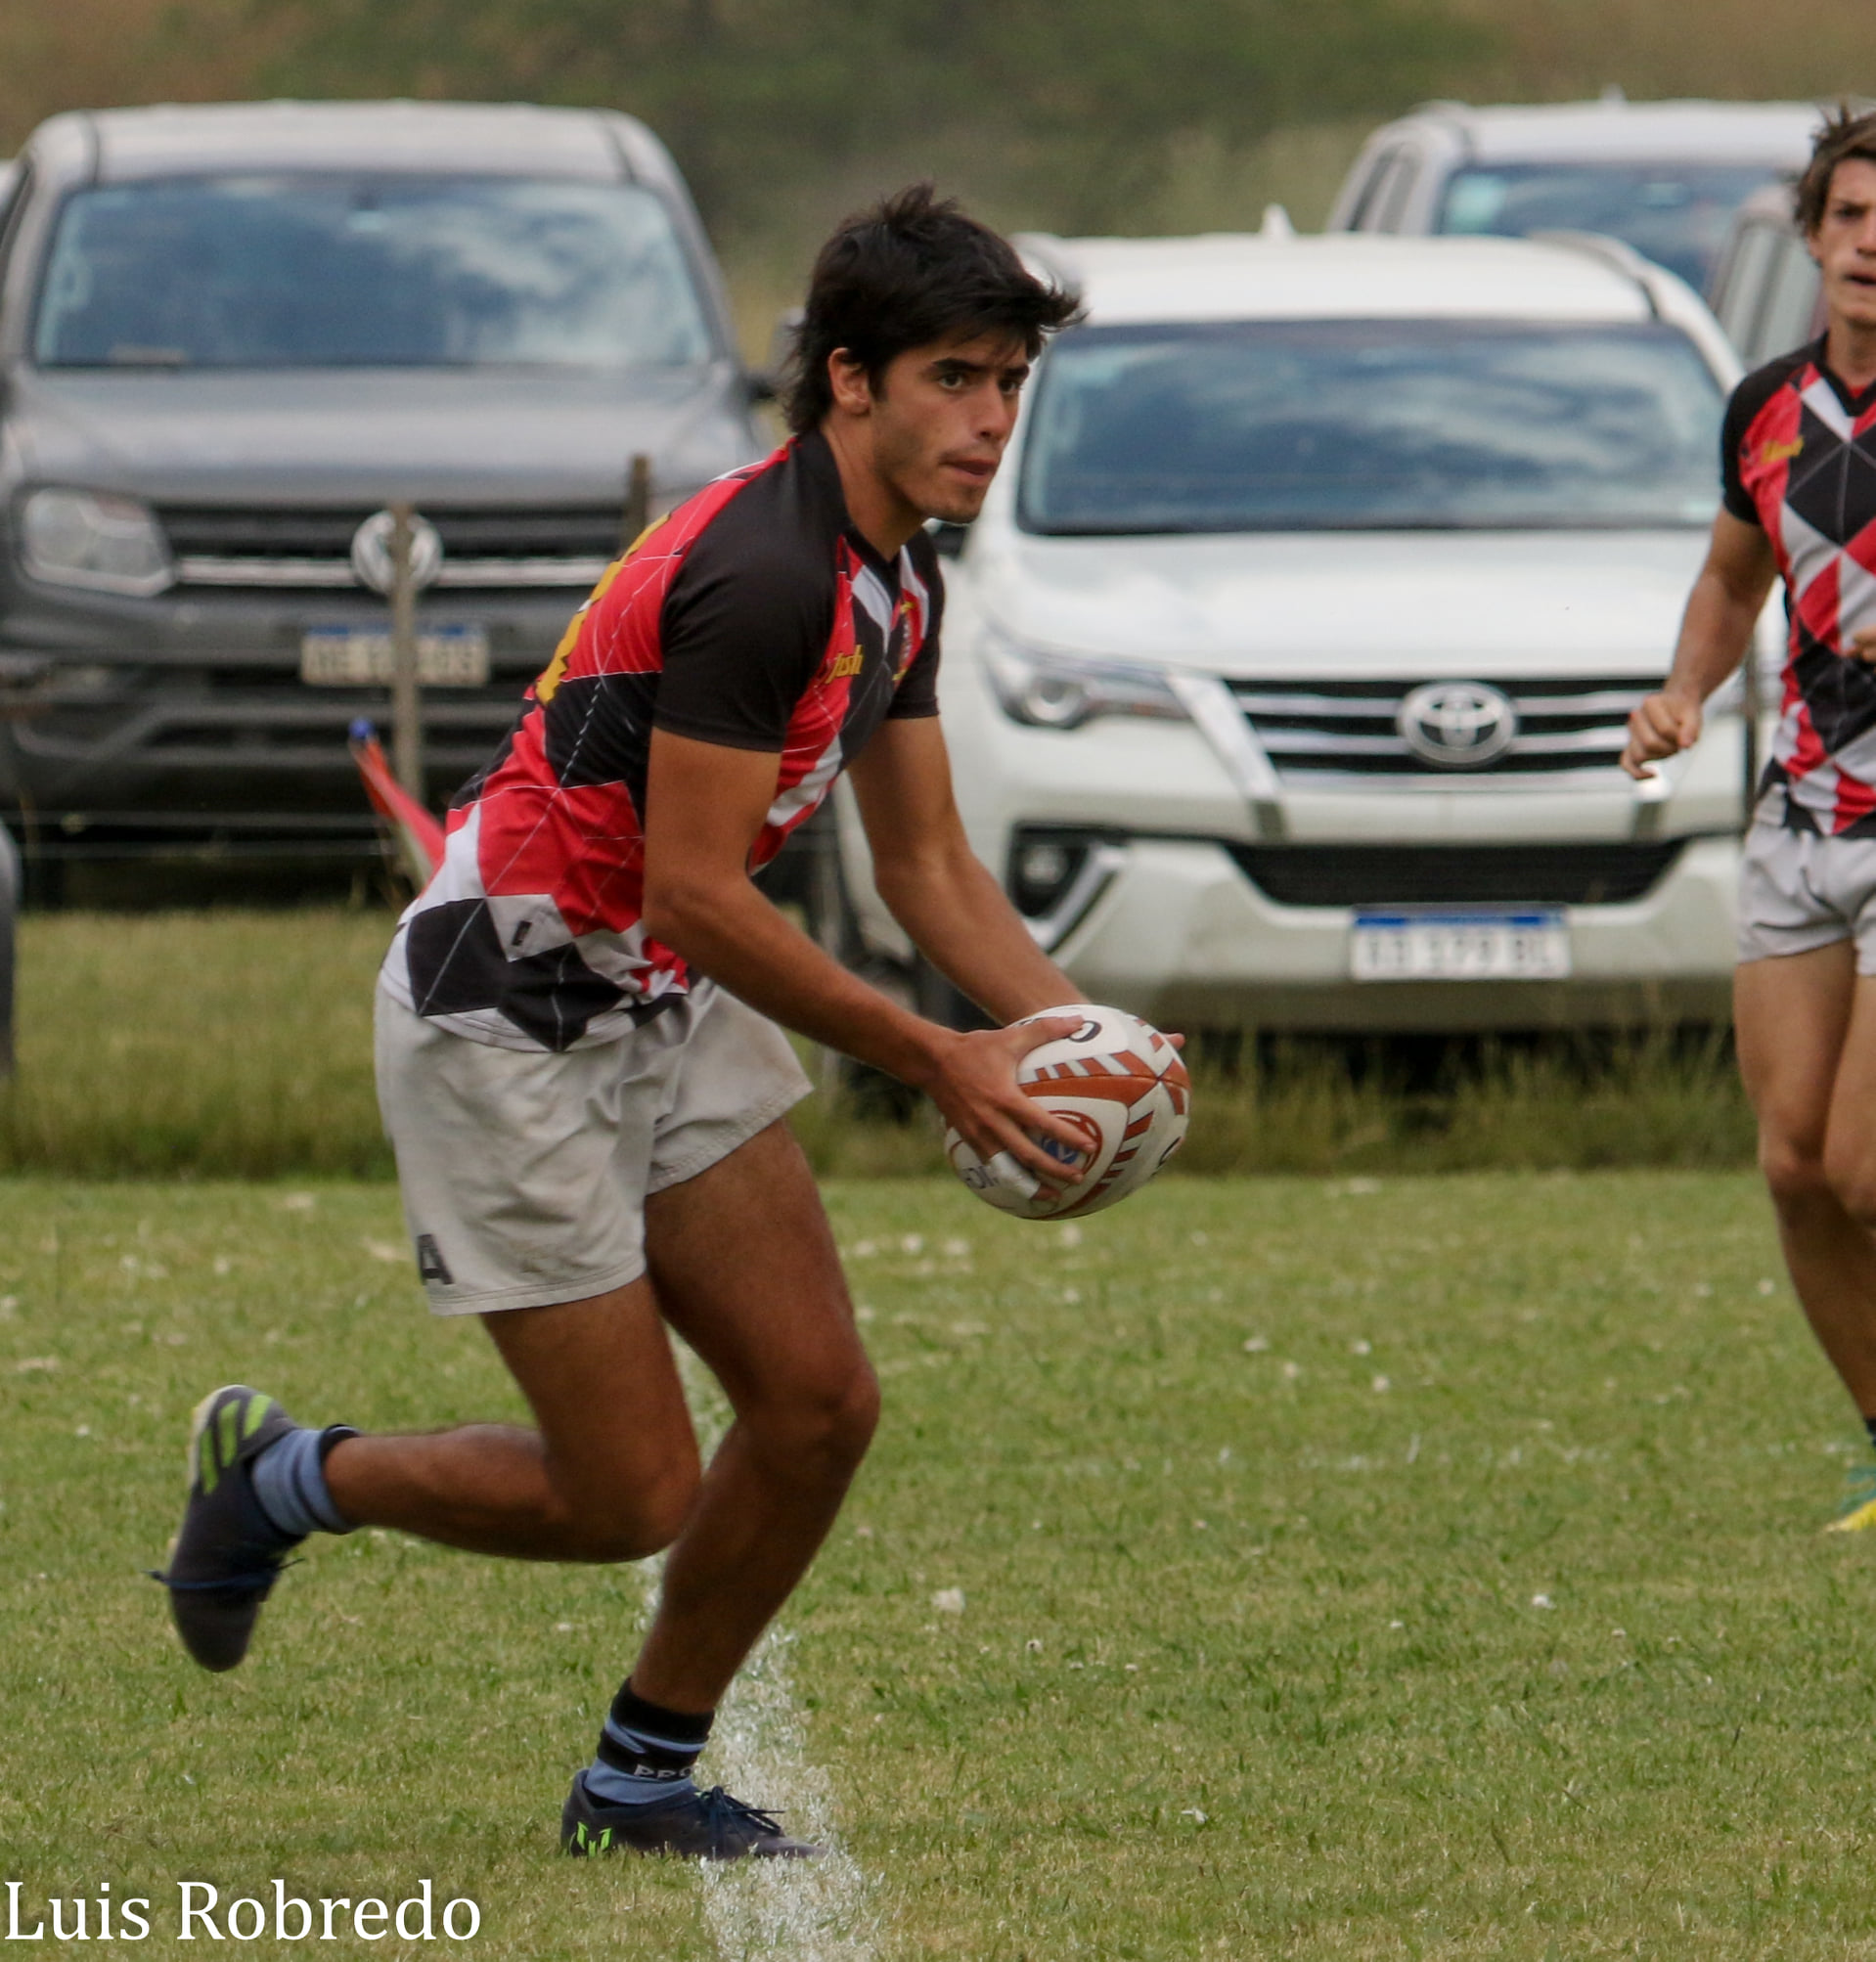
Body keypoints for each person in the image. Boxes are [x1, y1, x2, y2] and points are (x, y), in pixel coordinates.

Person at [153, 185, 1090, 1857]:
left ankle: (638, 1778)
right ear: (850, 380)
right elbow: (697, 891)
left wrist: (1087, 1040)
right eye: (958, 377)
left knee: (815, 1406)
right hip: (507, 1012)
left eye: (1011, 380)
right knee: (628, 1494)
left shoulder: (897, 577)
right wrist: (942, 1055)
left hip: (660, 1002)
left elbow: (930, 864)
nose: (993, 418)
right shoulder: (767, 569)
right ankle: (289, 1478)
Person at [1622, 107, 1876, 1527]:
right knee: (1792, 1167)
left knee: (1864, 1163)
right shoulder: (1765, 408)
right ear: (1814, 233)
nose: (1870, 244)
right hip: (1798, 814)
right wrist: (1679, 692)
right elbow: (1733, 580)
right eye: (1850, 217)